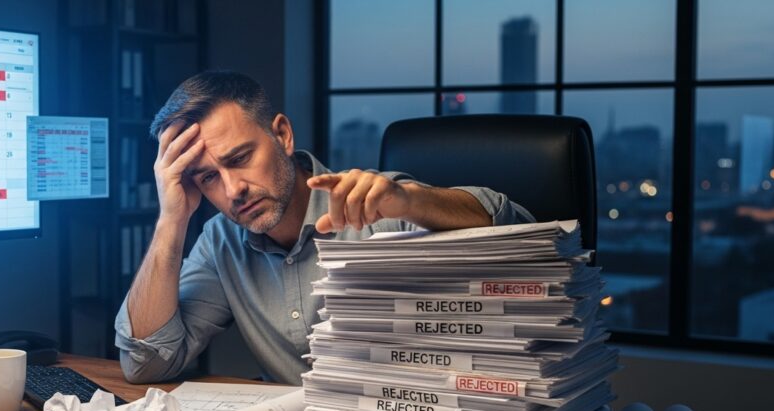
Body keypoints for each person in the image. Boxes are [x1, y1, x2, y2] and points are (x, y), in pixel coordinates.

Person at [116, 71, 532, 385]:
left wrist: (409, 200)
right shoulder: (221, 242)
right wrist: (172, 219)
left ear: (282, 134)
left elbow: (528, 241)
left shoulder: (380, 208)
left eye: (240, 158)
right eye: (207, 178)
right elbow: (146, 362)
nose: (233, 190)